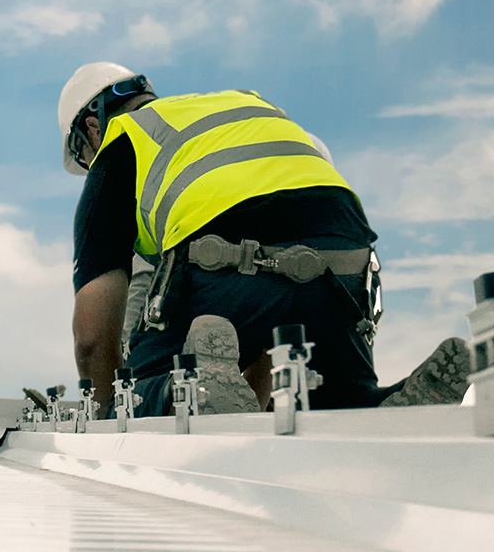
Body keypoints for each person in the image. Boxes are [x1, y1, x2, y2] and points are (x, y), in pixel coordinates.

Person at [59, 62, 471, 416]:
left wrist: (108, 411)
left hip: (226, 265)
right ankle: (382, 410)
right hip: (343, 264)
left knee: (147, 386)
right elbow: (267, 318)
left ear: (92, 127)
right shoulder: (244, 105)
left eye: (82, 152)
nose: (89, 162)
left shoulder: (124, 141)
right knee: (337, 405)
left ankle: (185, 388)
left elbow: (94, 337)